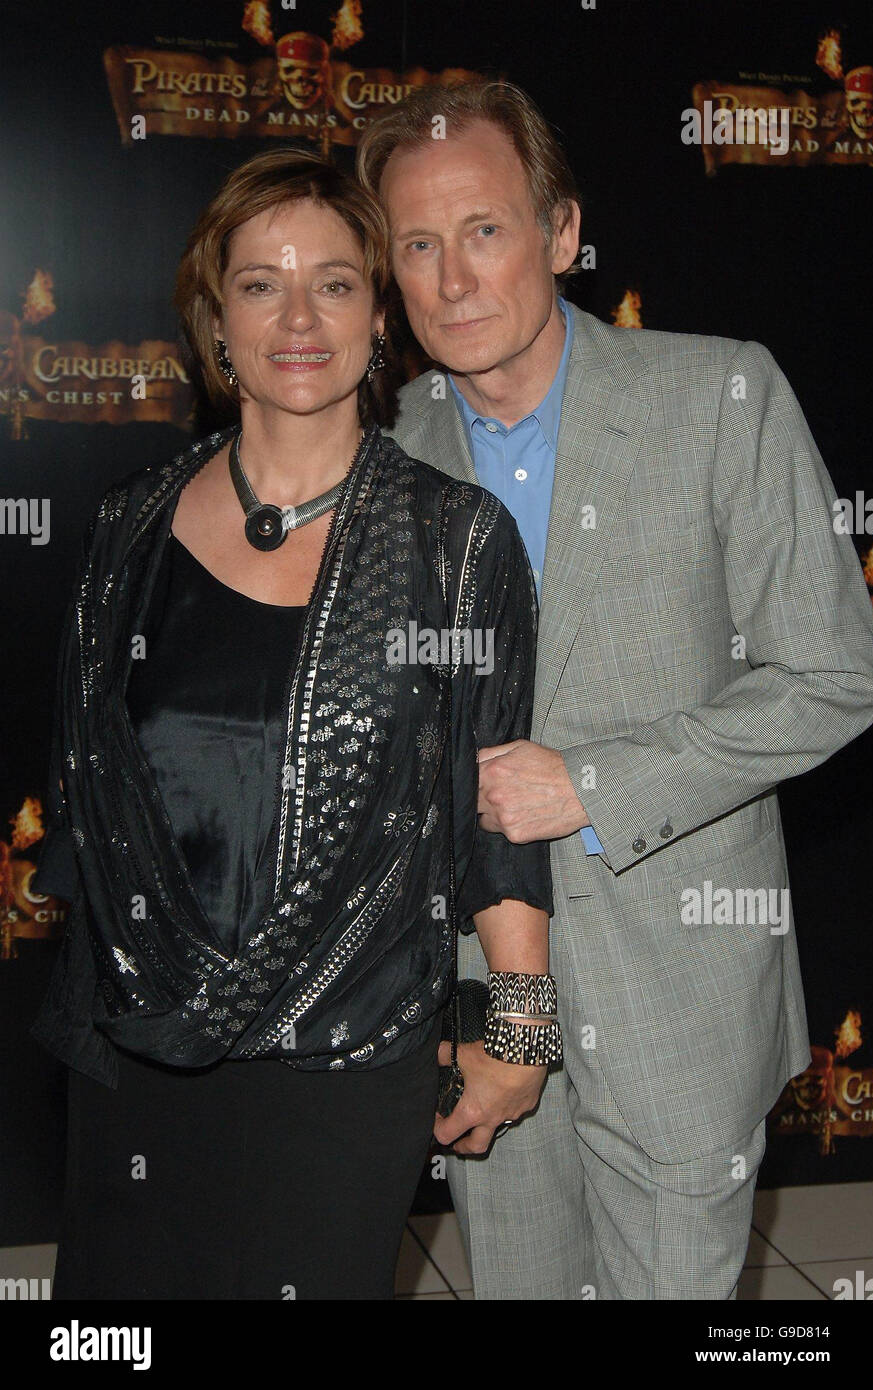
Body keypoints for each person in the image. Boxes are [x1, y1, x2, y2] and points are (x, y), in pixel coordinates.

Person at [356, 79, 873, 1300]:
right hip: (488, 1002)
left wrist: (587, 785)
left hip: (678, 994)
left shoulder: (718, 398)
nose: (451, 278)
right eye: (415, 246)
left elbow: (835, 676)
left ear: (562, 233)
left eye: (483, 230)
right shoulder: (383, 457)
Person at [29, 147, 554, 1301]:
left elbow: (498, 810)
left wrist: (519, 1032)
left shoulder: (453, 546)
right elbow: (90, 798)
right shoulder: (127, 530)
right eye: (260, 283)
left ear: (380, 317)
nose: (298, 314)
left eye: (333, 280)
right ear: (215, 320)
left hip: (343, 1061)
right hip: (135, 1049)